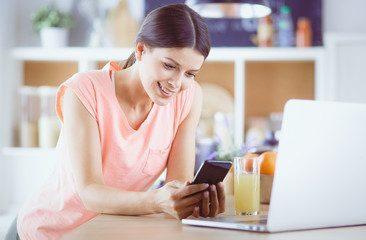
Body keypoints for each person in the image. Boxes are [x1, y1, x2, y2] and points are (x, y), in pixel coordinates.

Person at [5, 3, 226, 240]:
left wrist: (191, 201)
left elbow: (176, 187)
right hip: (49, 232)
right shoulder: (84, 91)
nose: (177, 83)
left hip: (108, 233)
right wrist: (158, 200)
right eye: (169, 66)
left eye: (190, 74)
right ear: (141, 50)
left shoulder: (188, 97)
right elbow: (90, 194)